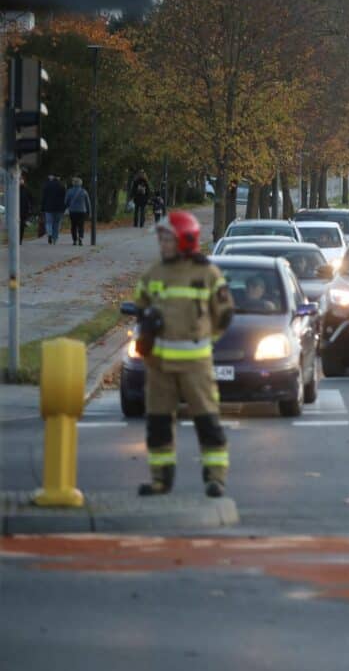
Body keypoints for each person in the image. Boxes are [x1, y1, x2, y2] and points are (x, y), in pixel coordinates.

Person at [134, 211, 235, 498]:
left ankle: (215, 478)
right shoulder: (154, 272)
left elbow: (225, 314)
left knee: (207, 422)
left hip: (195, 365)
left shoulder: (206, 274)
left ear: (185, 240)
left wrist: (205, 340)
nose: (162, 244)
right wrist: (146, 331)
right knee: (158, 424)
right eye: (161, 239)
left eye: (167, 239)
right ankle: (160, 480)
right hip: (158, 365)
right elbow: (140, 306)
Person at [64, 177, 91, 246]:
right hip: (82, 211)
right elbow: (88, 203)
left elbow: (66, 202)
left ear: (73, 183)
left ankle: (74, 240)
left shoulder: (69, 191)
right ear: (80, 183)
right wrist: (89, 212)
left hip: (73, 211)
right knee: (81, 225)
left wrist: (67, 207)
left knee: (73, 225)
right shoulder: (84, 191)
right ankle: (81, 238)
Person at [41, 175, 66, 244]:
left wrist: (42, 208)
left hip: (48, 207)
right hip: (59, 208)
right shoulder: (62, 186)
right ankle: (55, 238)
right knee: (57, 223)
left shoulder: (47, 185)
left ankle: (49, 234)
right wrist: (64, 208)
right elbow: (65, 198)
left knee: (49, 222)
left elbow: (44, 198)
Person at [18, 174, 33, 244]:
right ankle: (16, 239)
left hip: (23, 211)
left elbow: (30, 200)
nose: (21, 181)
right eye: (19, 179)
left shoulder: (26, 190)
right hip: (16, 211)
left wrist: (29, 210)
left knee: (21, 227)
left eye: (21, 180)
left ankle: (19, 240)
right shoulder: (14, 190)